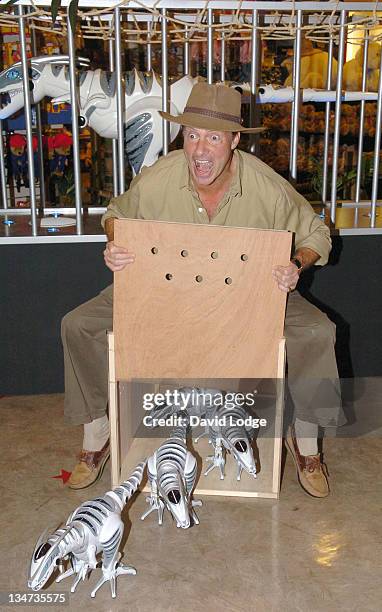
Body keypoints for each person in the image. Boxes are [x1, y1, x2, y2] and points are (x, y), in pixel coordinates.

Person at [62, 82, 343, 497]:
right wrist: (114, 242)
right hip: (163, 287)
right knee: (78, 325)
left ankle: (305, 442)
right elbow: (116, 213)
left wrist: (295, 266)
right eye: (192, 135)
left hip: (250, 293)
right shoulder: (163, 174)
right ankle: (97, 434)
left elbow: (318, 233)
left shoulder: (264, 184)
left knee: (318, 333)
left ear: (233, 141)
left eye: (213, 138)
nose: (200, 150)